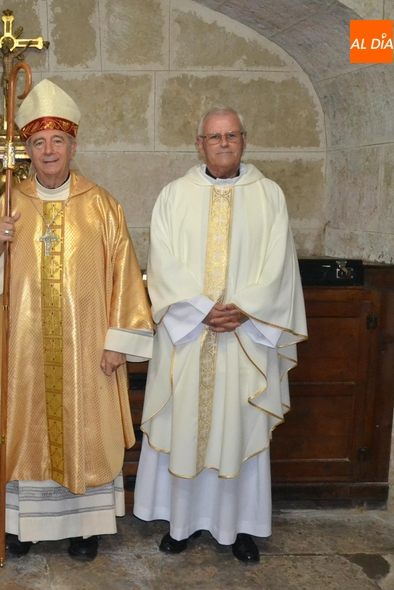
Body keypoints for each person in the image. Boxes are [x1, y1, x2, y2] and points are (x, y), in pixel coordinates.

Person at [0, 80, 154, 562]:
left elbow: (126, 277)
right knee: (24, 431)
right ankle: (23, 529)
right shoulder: (8, 204)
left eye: (57, 141)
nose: (48, 150)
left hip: (88, 350)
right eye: (38, 142)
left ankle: (84, 528)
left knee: (83, 432)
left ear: (73, 145)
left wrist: (119, 342)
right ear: (28, 148)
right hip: (24, 353)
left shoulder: (103, 206)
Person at [135, 107, 307, 563]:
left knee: (240, 425)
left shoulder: (269, 196)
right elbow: (162, 260)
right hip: (190, 337)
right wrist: (200, 309)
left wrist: (245, 309)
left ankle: (240, 529)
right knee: (185, 424)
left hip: (246, 337)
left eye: (231, 135)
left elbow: (279, 265)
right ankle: (180, 525)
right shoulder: (174, 195)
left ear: (244, 140)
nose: (224, 143)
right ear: (200, 143)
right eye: (215, 136)